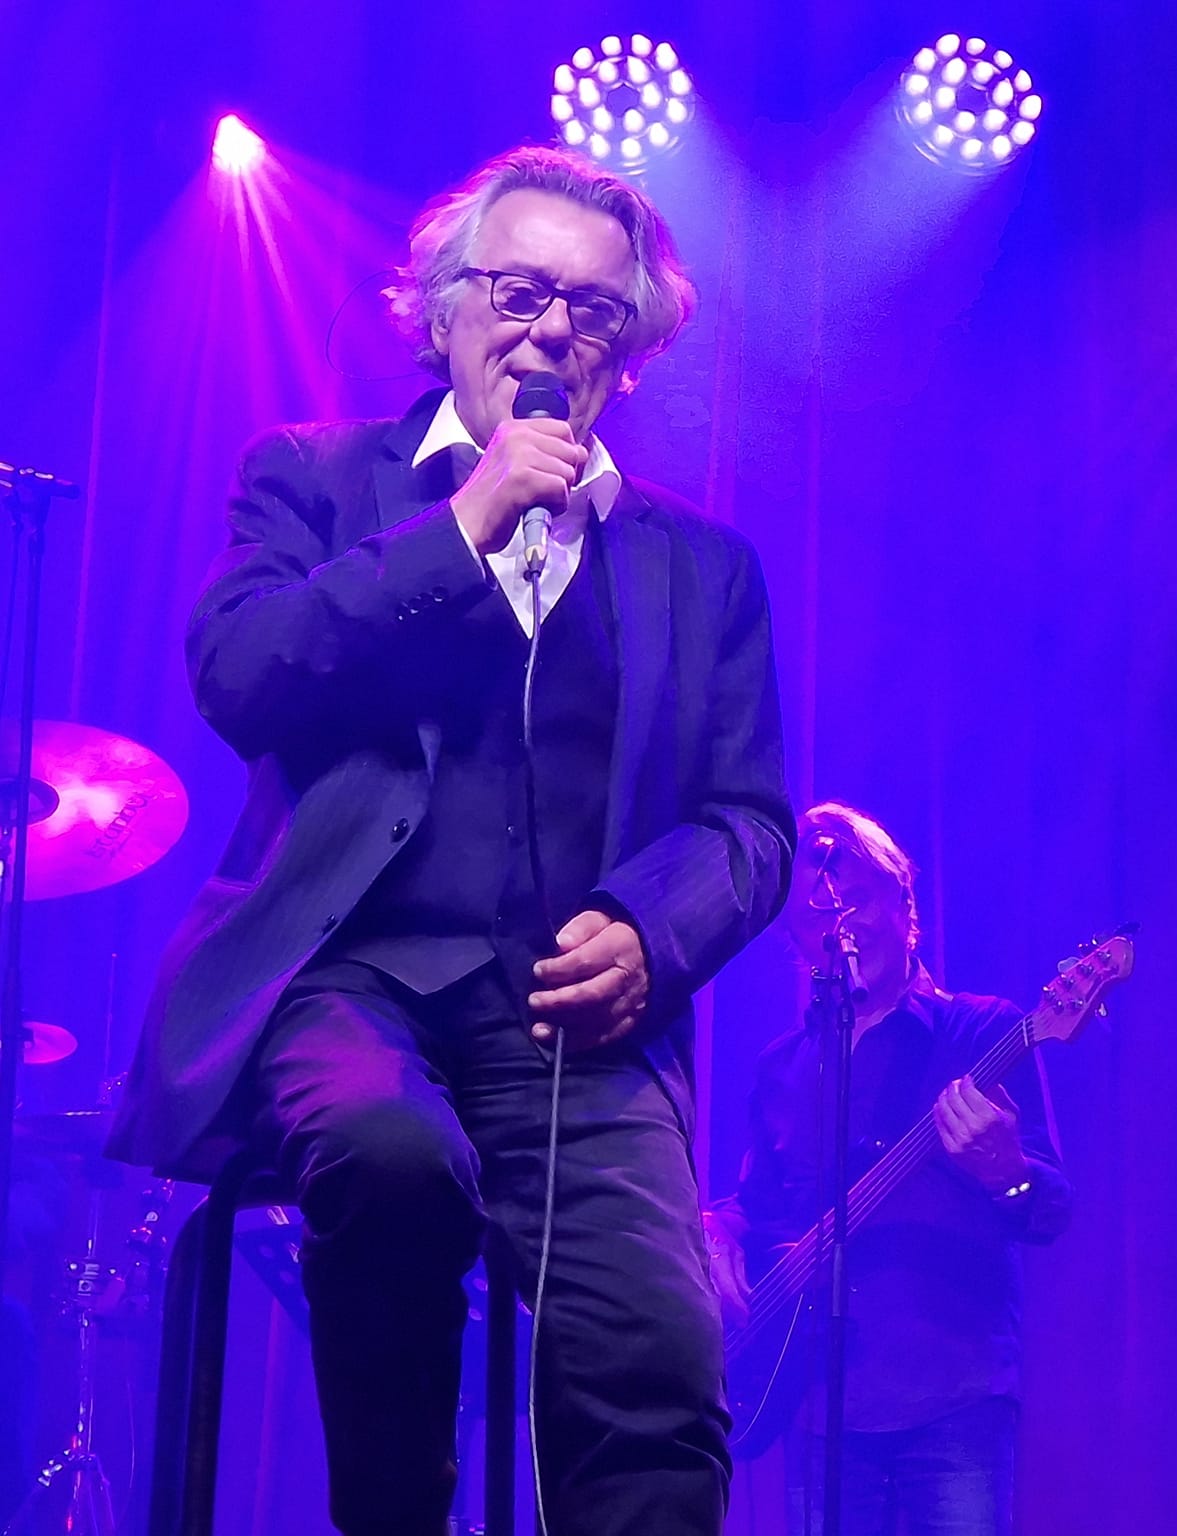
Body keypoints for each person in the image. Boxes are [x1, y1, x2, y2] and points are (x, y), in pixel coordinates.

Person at [107, 145, 795, 1535]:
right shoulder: (314, 479)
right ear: (439, 308)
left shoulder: (700, 566)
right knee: (391, 1159)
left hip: (573, 1026)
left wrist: (651, 933)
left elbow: (749, 825)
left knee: (658, 1348)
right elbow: (243, 672)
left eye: (596, 310)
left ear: (637, 351)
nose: (554, 329)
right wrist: (467, 523)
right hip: (349, 985)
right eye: (521, 290)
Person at [703, 803, 1070, 1536]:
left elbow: (1049, 1203)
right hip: (819, 1404)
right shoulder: (784, 1067)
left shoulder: (982, 1030)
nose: (838, 926)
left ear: (904, 904)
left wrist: (1006, 1171)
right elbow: (761, 1202)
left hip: (952, 1395)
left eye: (856, 899)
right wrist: (716, 1230)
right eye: (814, 917)